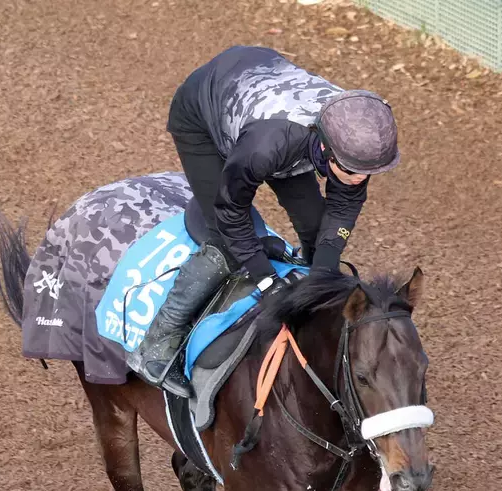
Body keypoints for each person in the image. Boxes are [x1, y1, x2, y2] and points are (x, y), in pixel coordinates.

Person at [132, 45, 400, 397]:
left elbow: (340, 212)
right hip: (204, 113)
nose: (358, 180)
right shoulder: (266, 148)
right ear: (326, 149)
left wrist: (319, 281)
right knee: (225, 242)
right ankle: (158, 340)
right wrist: (265, 280)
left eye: (367, 174)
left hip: (275, 115)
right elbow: (231, 212)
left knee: (316, 226)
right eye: (350, 171)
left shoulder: (353, 137)